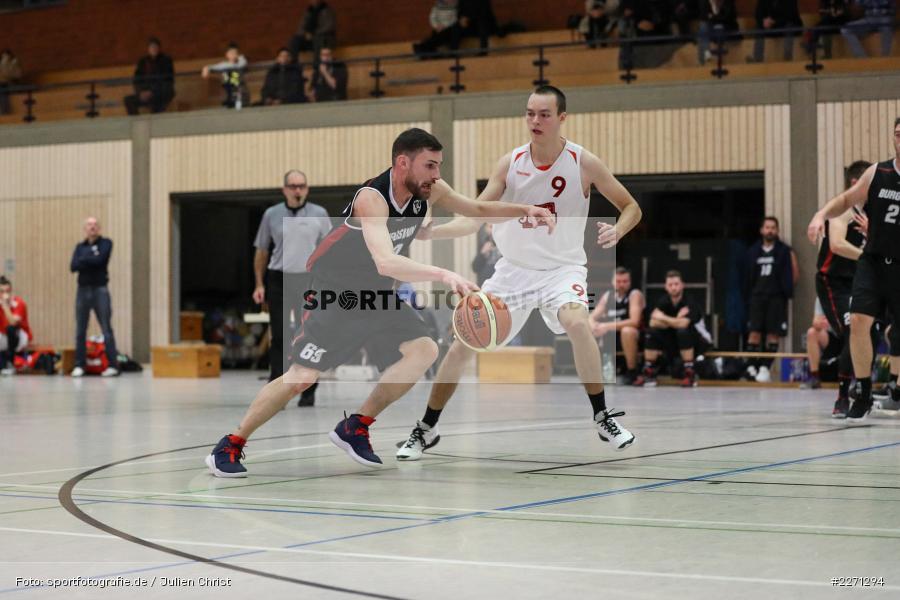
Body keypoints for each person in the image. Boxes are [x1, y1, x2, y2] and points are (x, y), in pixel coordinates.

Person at [205, 128, 555, 477]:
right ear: (403, 163)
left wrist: (525, 209)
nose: (436, 175)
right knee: (301, 378)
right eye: (429, 165)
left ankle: (356, 426)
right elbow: (386, 261)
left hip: (377, 295)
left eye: (439, 166)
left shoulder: (430, 190)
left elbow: (476, 209)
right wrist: (443, 274)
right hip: (336, 293)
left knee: (425, 350)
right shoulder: (371, 198)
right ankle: (231, 444)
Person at [395, 86, 643, 462]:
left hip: (562, 269)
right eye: (529, 113)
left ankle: (602, 415)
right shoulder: (509, 163)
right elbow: (477, 214)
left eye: (544, 114)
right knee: (462, 342)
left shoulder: (583, 162)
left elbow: (631, 206)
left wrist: (619, 229)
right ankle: (426, 428)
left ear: (562, 118)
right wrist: (433, 231)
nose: (535, 121)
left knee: (578, 324)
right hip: (512, 272)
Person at [807, 117, 900, 423]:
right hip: (871, 262)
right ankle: (860, 390)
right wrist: (820, 214)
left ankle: (895, 388)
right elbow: (846, 200)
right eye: (897, 135)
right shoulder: (878, 172)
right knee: (858, 321)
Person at [252, 170, 331, 406]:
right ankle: (277, 388)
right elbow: (262, 251)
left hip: (309, 279)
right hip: (279, 279)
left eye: (302, 186)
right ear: (284, 189)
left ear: (307, 188)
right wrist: (258, 283)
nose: (298, 190)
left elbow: (330, 249)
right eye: (293, 186)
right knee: (280, 335)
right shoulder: (271, 215)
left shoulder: (319, 214)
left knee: (308, 334)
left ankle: (308, 389)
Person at [813, 160, 871, 416]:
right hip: (832, 282)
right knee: (852, 329)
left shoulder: (873, 213)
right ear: (856, 184)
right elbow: (837, 245)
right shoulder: (842, 211)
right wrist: (865, 256)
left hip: (858, 280)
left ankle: (866, 387)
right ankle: (842, 395)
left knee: (872, 330)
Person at [743, 216, 799, 383]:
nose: (770, 230)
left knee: (773, 334)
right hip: (757, 297)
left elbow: (794, 274)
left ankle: (765, 368)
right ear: (762, 230)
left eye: (773, 227)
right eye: (767, 227)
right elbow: (747, 277)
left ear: (777, 230)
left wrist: (786, 290)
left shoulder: (784, 251)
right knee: (754, 333)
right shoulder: (753, 251)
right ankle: (752, 366)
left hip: (776, 298)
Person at [634, 270, 712, 387]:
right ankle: (649, 372)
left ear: (682, 285)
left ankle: (689, 373)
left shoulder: (690, 301)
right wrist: (675, 320)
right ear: (666, 287)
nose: (674, 287)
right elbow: (652, 322)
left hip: (698, 341)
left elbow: (683, 324)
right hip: (675, 341)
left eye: (676, 284)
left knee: (683, 331)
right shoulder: (664, 301)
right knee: (652, 332)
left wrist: (663, 318)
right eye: (670, 285)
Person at [69, 217, 119, 378]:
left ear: (99, 228)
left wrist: (85, 258)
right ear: (85, 228)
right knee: (80, 329)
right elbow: (73, 266)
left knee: (106, 328)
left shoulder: (106, 243)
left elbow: (101, 260)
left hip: (100, 290)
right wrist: (90, 257)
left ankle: (113, 365)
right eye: (89, 225)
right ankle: (79, 365)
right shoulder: (80, 246)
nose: (93, 227)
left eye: (95, 224)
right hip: (82, 290)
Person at [590, 266, 645, 384]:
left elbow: (634, 321)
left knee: (627, 330)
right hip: (610, 336)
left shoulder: (634, 294)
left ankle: (632, 371)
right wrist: (594, 326)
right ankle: (594, 371)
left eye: (625, 281)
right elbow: (592, 317)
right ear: (612, 282)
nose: (621, 284)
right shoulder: (607, 296)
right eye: (618, 281)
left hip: (633, 337)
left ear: (630, 282)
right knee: (589, 329)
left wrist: (605, 326)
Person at [123, 37, 174, 115]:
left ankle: (156, 122)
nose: (154, 49)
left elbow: (167, 80)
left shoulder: (166, 60)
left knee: (158, 100)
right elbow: (137, 79)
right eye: (151, 47)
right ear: (148, 49)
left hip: (161, 93)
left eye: (155, 47)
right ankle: (137, 123)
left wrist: (152, 91)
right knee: (128, 100)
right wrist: (141, 92)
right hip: (144, 93)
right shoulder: (142, 62)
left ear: (159, 48)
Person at [801, 306, 842, 390]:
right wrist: (820, 323)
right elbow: (816, 322)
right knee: (812, 332)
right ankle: (815, 378)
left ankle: (859, 380)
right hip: (832, 336)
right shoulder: (822, 295)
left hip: (849, 335)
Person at [0, 276, 31, 376]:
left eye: (7, 291)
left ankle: (10, 362)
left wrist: (5, 305)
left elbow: (13, 322)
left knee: (11, 328)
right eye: (1, 291)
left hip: (20, 338)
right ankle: (4, 363)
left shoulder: (19, 303)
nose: (5, 294)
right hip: (3, 337)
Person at [201, 43, 248, 109]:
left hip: (238, 87)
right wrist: (206, 68)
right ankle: (230, 98)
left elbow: (242, 64)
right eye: (231, 53)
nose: (233, 55)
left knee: (234, 73)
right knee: (226, 73)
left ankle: (235, 99)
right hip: (228, 86)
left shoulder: (240, 63)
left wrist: (240, 56)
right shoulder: (224, 64)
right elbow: (214, 67)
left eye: (235, 53)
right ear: (227, 55)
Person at [697, 0, 739, 65]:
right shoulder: (704, 2)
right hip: (711, 25)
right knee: (703, 28)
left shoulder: (727, 1)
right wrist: (714, 11)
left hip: (727, 26)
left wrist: (713, 16)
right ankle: (704, 57)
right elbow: (703, 16)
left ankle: (723, 62)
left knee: (719, 30)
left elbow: (728, 16)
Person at [0, 48, 23, 115]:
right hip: (3, 83)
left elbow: (17, 74)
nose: (5, 58)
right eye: (3, 56)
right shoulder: (2, 63)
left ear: (9, 56)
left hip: (10, 83)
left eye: (6, 56)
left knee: (3, 94)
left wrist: (7, 67)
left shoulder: (13, 63)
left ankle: (5, 112)